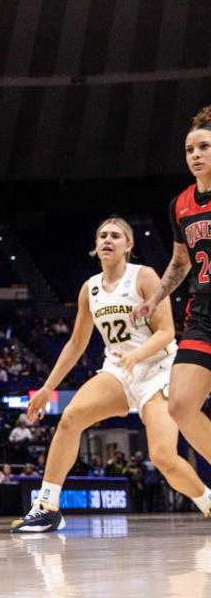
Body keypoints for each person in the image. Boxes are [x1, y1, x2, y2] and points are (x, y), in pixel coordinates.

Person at [12, 217, 211, 533]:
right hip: (119, 371)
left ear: (129, 245)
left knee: (163, 457)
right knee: (70, 418)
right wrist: (47, 388)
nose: (107, 239)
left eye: (116, 235)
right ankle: (47, 506)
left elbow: (167, 332)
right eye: (102, 235)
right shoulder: (89, 288)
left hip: (158, 370)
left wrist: (136, 355)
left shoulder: (143, 276)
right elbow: (77, 343)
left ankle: (207, 502)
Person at [131, 106, 211, 501]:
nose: (195, 155)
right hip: (202, 316)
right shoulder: (180, 204)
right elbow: (181, 263)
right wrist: (155, 298)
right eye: (189, 149)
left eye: (204, 147)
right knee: (180, 405)